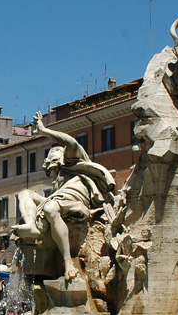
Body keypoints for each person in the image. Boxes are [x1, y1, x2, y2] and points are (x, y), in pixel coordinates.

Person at [13, 110, 116, 280]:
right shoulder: (57, 182)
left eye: (54, 153)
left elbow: (71, 142)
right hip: (57, 202)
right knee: (25, 193)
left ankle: (68, 262)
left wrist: (44, 131)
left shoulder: (73, 161)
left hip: (77, 203)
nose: (49, 156)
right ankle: (32, 225)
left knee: (50, 206)